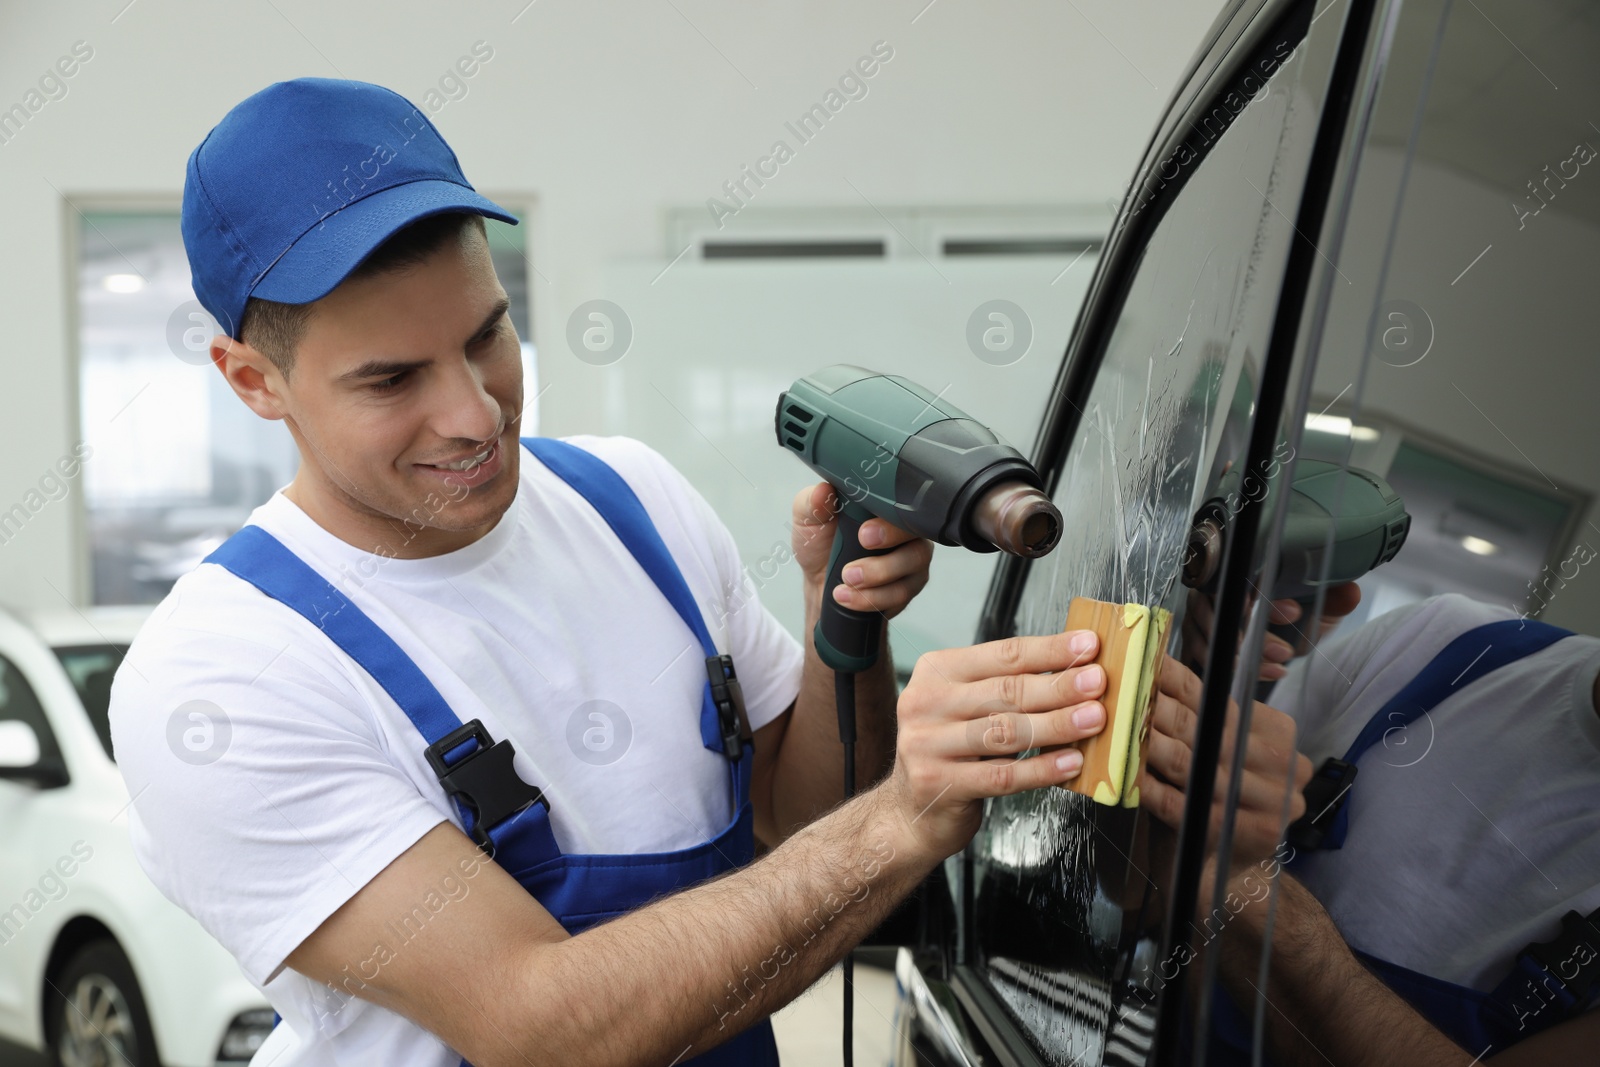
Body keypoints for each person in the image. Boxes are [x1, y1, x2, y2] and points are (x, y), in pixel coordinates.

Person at [107, 77, 1128, 1067]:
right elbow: (541, 1026)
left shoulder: (630, 501)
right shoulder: (222, 674)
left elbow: (801, 809)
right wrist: (899, 822)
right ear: (254, 381)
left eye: (486, 336)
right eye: (391, 378)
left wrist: (840, 622)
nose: (475, 414)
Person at [1205, 591, 1600, 1064]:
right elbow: (1136, 891)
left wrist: (1237, 878)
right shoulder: (1444, 639)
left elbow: (1197, 856)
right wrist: (1190, 656)